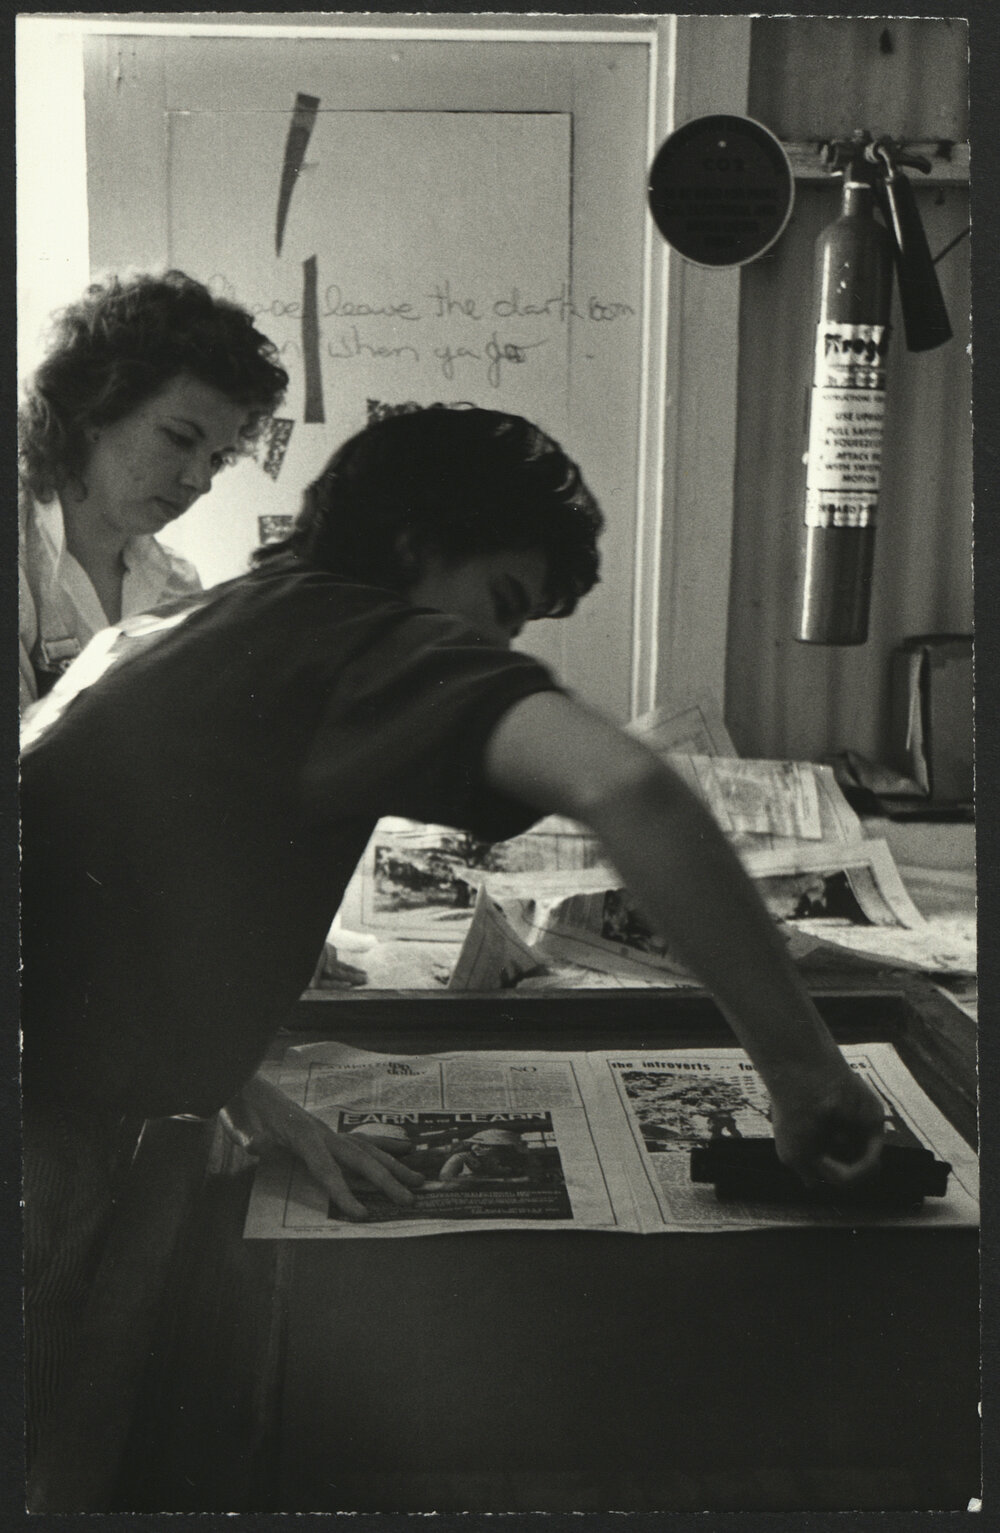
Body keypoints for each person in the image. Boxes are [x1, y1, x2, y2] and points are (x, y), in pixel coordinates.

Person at [20, 405, 884, 1469]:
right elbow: (631, 790)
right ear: (415, 550)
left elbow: (131, 913)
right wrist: (804, 1077)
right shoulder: (356, 635)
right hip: (50, 1155)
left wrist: (245, 1089)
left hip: (82, 1106)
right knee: (57, 1461)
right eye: (501, 607)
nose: (495, 652)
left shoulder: (194, 627)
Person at [18, 269, 289, 712]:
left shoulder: (178, 589)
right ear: (97, 410)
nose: (200, 482)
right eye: (180, 439)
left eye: (217, 458)